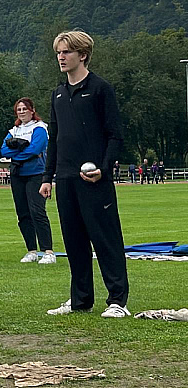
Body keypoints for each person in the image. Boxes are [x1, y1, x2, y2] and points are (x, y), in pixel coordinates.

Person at [40, 30, 130, 318]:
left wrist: (104, 169)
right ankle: (80, 300)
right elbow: (54, 139)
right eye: (58, 52)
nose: (61, 57)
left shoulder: (101, 89)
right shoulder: (57, 93)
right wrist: (47, 177)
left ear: (83, 55)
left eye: (66, 52)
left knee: (106, 239)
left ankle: (118, 301)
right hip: (65, 179)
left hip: (95, 179)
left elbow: (115, 135)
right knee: (74, 242)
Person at [0, 98, 55, 264]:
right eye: (19, 109)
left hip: (36, 174)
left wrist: (15, 155)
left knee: (37, 211)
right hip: (18, 175)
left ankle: (48, 251)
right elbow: (3, 149)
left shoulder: (39, 128)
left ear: (32, 110)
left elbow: (35, 149)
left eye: (25, 109)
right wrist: (20, 154)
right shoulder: (14, 130)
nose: (22, 112)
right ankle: (31, 250)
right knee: (23, 213)